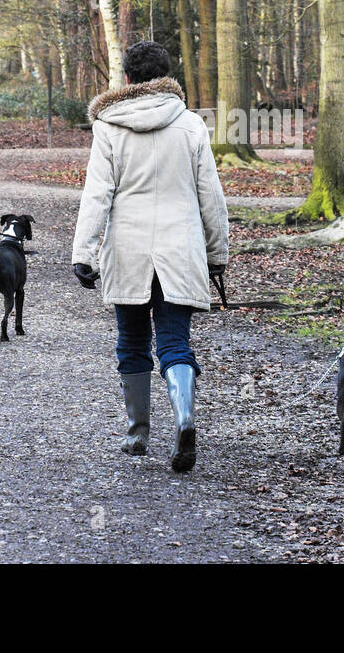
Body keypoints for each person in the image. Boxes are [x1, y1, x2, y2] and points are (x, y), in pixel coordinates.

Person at [72, 41, 229, 472]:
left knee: (133, 341)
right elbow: (210, 197)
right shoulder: (192, 125)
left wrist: (83, 252)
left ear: (126, 80)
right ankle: (184, 418)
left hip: (129, 249)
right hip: (181, 248)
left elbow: (97, 195)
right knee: (176, 342)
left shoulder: (108, 126)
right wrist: (217, 253)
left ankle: (138, 431)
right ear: (167, 77)